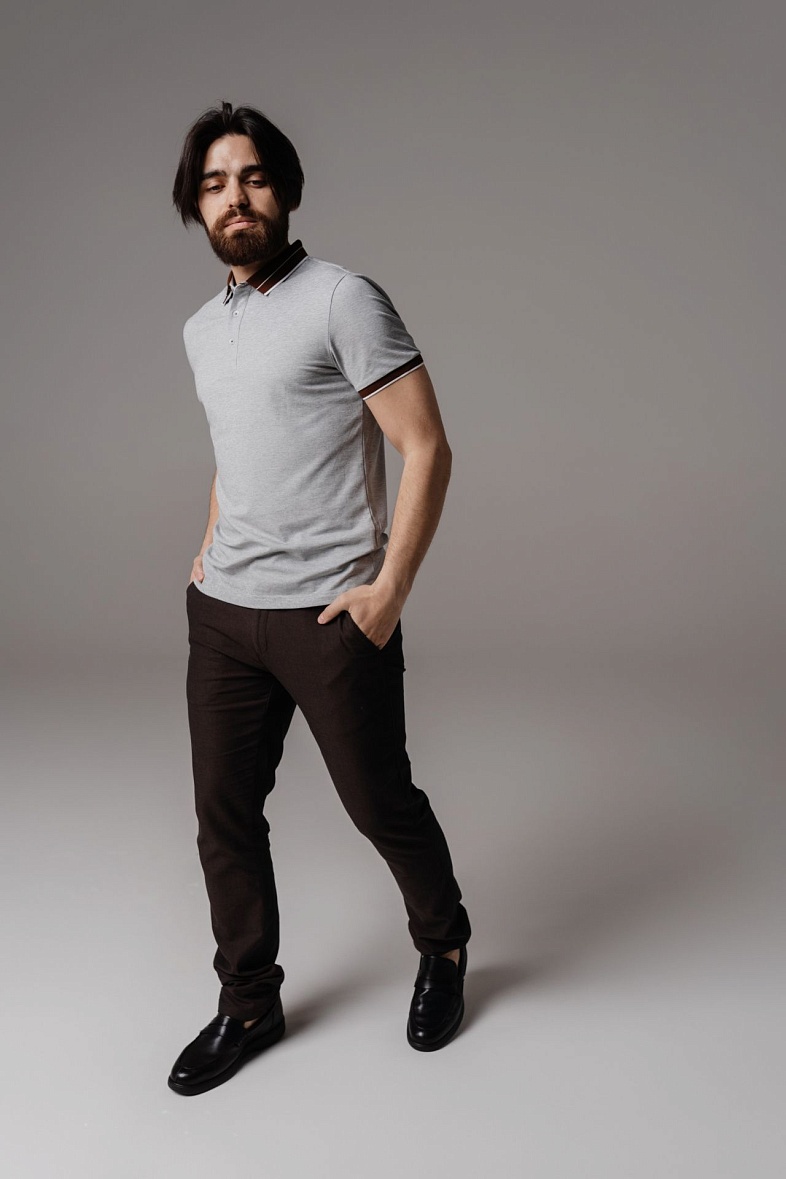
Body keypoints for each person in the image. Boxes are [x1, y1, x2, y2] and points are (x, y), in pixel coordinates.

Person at [166, 101, 471, 1096]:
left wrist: (388, 591)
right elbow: (238, 453)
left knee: (380, 802)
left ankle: (445, 943)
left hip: (332, 617)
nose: (236, 198)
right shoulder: (201, 329)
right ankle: (249, 1002)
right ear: (196, 205)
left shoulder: (344, 299)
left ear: (285, 191)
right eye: (215, 184)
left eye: (253, 178)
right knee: (223, 818)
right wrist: (208, 549)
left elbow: (425, 446)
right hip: (225, 615)